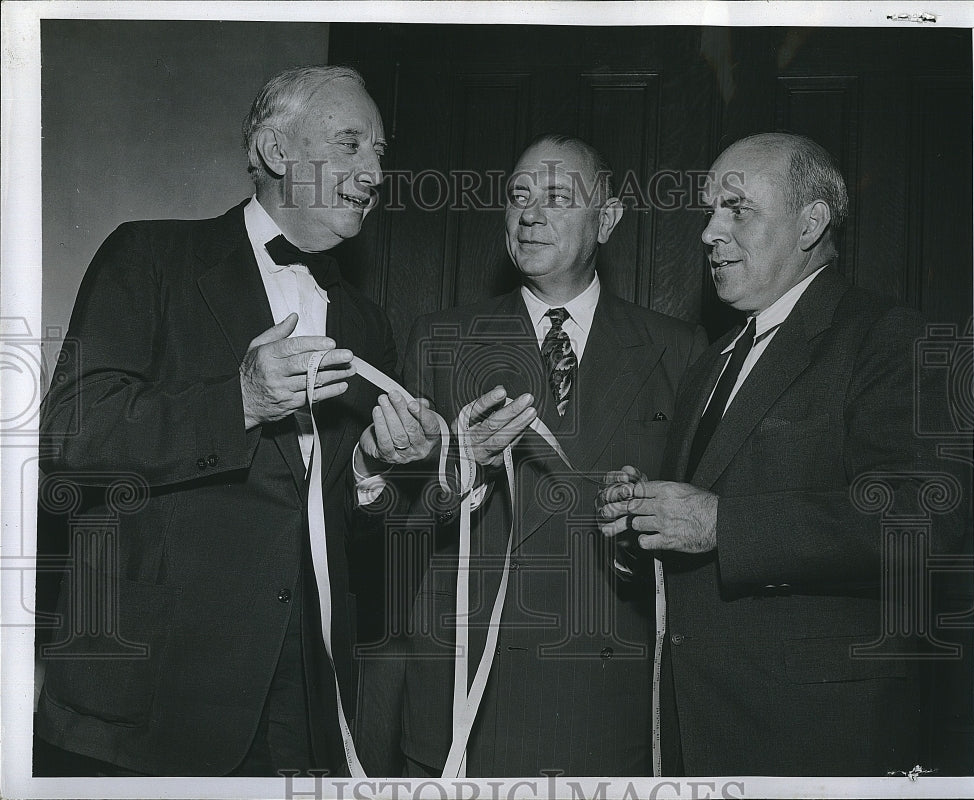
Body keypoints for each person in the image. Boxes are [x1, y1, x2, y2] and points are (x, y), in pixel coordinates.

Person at [34, 65, 438, 777]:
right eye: (350, 144)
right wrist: (240, 400)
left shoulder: (367, 322)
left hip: (307, 695)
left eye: (379, 152)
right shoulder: (149, 257)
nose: (374, 171)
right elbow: (73, 438)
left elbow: (335, 520)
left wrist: (374, 473)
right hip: (155, 692)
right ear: (278, 152)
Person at [597, 132, 967, 775]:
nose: (709, 232)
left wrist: (720, 523)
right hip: (698, 735)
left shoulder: (887, 337)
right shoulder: (711, 362)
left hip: (817, 739)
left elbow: (924, 519)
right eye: (710, 210)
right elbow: (700, 526)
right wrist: (643, 522)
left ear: (811, 223)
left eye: (736, 209)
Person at [387, 134, 706, 777]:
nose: (529, 213)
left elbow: (696, 537)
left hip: (611, 700)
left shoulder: (680, 350)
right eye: (519, 196)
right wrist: (461, 469)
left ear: (607, 220)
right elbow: (389, 524)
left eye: (557, 197)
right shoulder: (441, 339)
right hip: (469, 697)